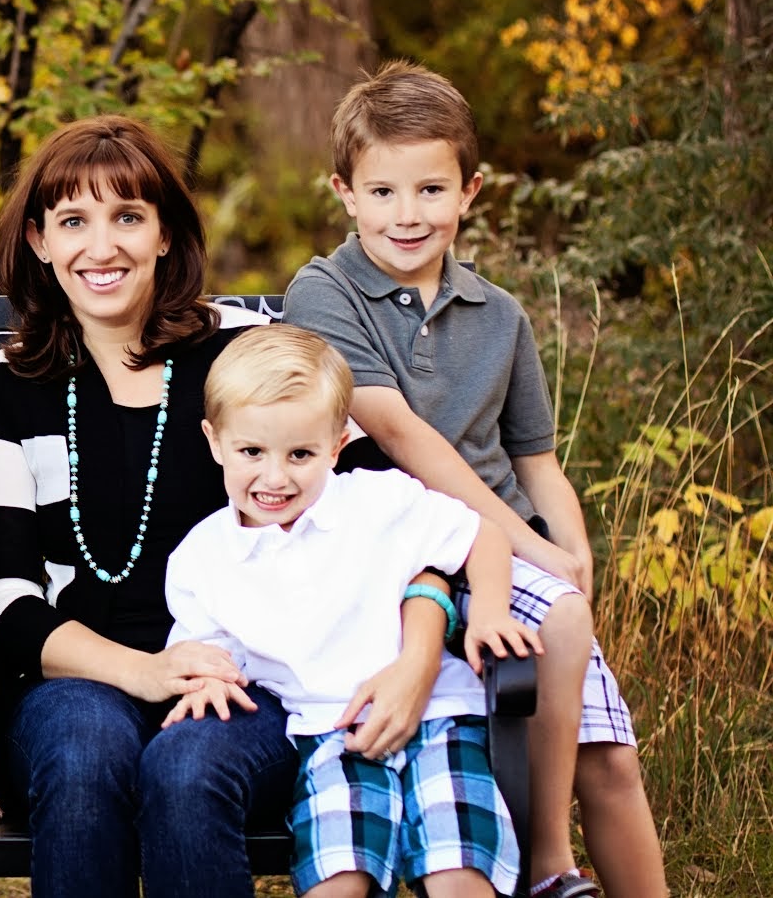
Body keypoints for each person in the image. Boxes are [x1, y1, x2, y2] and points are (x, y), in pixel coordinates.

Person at [0, 114, 455, 898]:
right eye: (74, 221)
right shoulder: (10, 385)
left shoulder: (242, 350)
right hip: (73, 686)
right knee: (86, 748)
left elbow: (396, 514)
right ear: (39, 240)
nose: (102, 246)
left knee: (187, 766)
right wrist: (146, 671)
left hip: (252, 677)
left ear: (165, 234)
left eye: (128, 217)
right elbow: (6, 602)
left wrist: (419, 654)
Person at [284, 59, 666, 897]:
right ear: (345, 193)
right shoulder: (324, 290)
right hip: (403, 554)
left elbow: (535, 458)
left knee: (610, 759)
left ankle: (572, 871)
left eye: (431, 189)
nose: (407, 214)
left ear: (470, 191)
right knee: (558, 616)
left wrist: (570, 547)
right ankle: (549, 863)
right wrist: (528, 542)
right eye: (383, 192)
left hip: (507, 551)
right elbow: (399, 432)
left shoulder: (500, 314)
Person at [163, 324, 540, 897]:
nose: (274, 477)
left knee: (458, 876)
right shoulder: (202, 558)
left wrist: (488, 611)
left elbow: (481, 534)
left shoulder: (378, 500)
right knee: (337, 881)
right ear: (215, 442)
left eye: (300, 454)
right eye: (251, 452)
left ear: (337, 446)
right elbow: (203, 653)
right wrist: (207, 683)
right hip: (328, 736)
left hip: (439, 717)